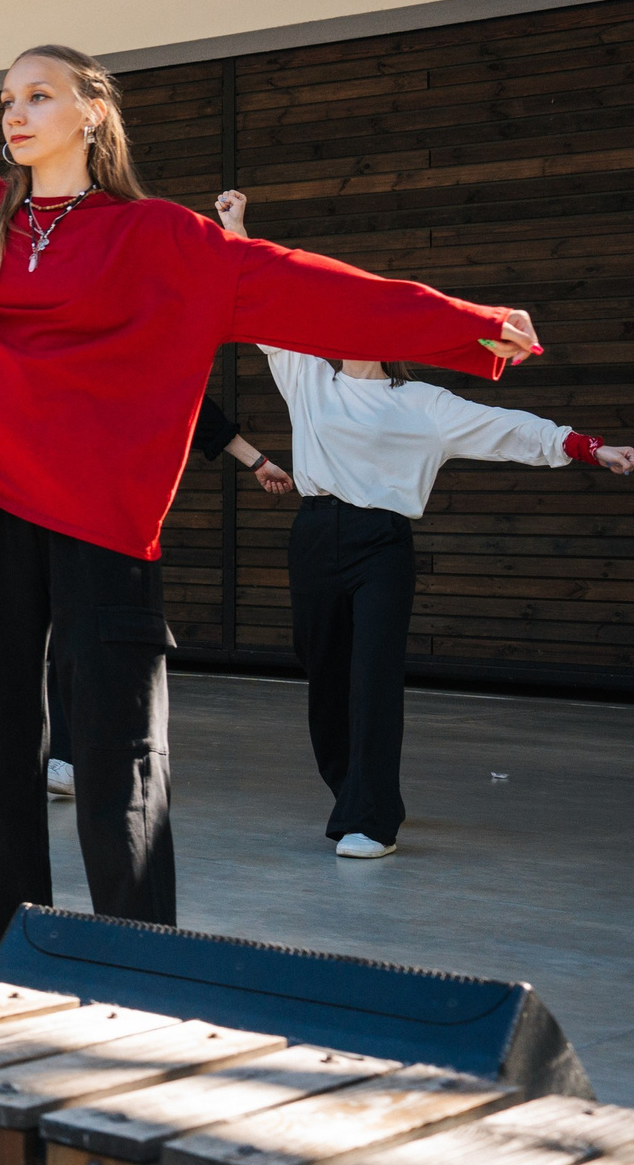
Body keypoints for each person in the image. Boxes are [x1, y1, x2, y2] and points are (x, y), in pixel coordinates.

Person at [0, 0, 544, 972]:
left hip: (101, 519)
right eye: (5, 99)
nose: (14, 112)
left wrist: (464, 329)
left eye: (40, 94)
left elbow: (306, 290)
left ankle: (137, 960)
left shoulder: (159, 239)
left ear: (92, 113)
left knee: (121, 746)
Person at [220, 189, 631, 859]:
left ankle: (372, 816)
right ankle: (351, 791)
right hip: (314, 535)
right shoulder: (305, 374)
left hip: (380, 544)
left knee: (374, 677)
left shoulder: (421, 404)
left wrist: (588, 445)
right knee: (325, 676)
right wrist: (236, 228)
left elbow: (509, 430)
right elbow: (265, 298)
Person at [46, 393, 292, 799]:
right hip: (63, 504)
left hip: (121, 517)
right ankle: (68, 756)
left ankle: (104, 755)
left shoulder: (139, 357)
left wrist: (259, 462)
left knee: (108, 637)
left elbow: (193, 404)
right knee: (68, 629)